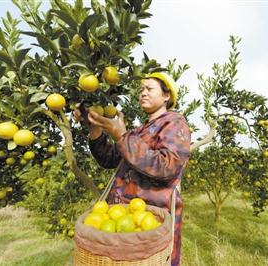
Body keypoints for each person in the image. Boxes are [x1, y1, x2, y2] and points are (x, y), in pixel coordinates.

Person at [73, 72, 191, 266]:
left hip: (150, 219)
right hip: (120, 216)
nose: (143, 93)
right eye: (141, 89)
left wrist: (121, 135)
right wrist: (93, 126)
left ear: (166, 96)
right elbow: (109, 158)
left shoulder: (175, 123)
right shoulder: (139, 131)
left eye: (150, 89)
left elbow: (166, 167)